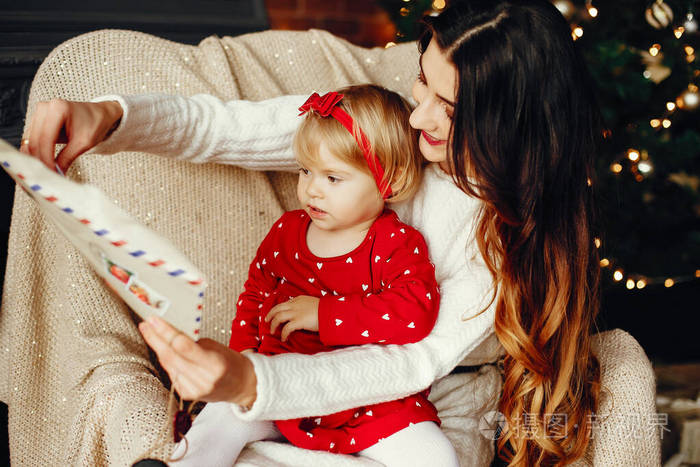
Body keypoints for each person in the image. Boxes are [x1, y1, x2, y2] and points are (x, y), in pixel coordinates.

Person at [21, 1, 603, 464]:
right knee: (221, 431)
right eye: (422, 82)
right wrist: (115, 117)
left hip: (417, 400)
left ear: (507, 124)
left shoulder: (500, 239)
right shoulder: (390, 127)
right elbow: (228, 128)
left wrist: (253, 378)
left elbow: (408, 363)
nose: (418, 113)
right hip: (298, 366)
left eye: (450, 110)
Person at [167, 84, 458, 466]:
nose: (311, 190)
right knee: (217, 422)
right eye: (305, 171)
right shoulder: (287, 231)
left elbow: (414, 311)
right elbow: (254, 294)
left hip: (372, 403)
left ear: (390, 180)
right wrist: (245, 358)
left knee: (436, 457)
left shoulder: (397, 242)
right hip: (280, 389)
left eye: (333, 178)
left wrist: (324, 314)